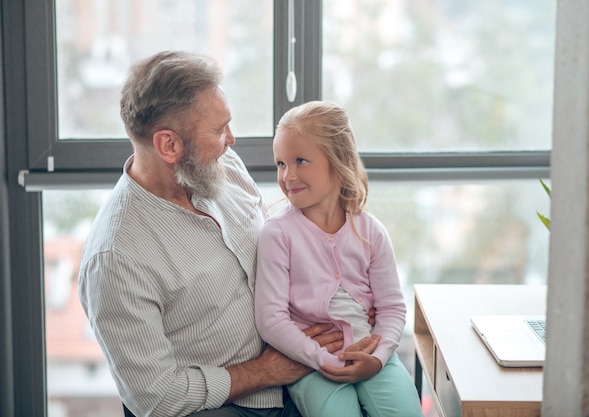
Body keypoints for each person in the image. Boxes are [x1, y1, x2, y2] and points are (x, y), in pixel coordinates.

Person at [77, 51, 377, 417]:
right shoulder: (115, 259)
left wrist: (350, 295)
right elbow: (154, 399)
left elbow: (284, 241)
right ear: (168, 145)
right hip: (228, 404)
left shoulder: (221, 167)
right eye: (219, 131)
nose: (231, 140)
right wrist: (266, 370)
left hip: (300, 364)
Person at [254, 101, 423, 417]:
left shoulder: (370, 230)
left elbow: (391, 308)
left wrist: (379, 356)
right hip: (312, 365)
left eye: (300, 161)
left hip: (375, 357)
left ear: (339, 159)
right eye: (280, 164)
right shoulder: (277, 234)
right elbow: (271, 320)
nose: (288, 175)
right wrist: (325, 360)